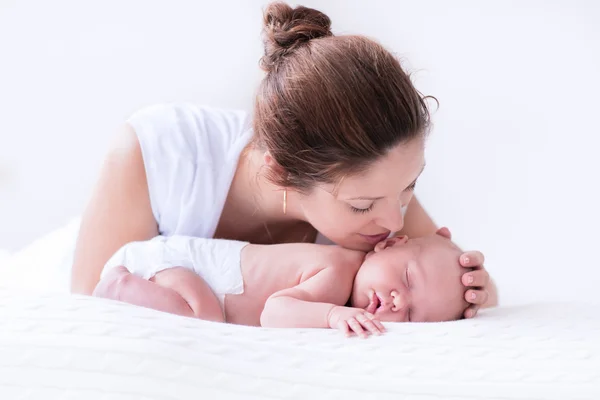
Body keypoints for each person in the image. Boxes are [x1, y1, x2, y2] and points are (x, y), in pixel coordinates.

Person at [71, 1, 497, 318]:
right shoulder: (159, 154)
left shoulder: (381, 194)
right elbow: (90, 306)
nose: (395, 223)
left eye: (409, 188)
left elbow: (445, 282)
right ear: (282, 173)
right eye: (361, 206)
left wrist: (478, 288)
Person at [93, 228, 469, 337]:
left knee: (206, 318)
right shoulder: (338, 270)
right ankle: (117, 286)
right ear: (387, 245)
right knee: (204, 320)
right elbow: (274, 312)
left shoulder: (349, 276)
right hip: (167, 263)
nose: (398, 302)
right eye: (406, 279)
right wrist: (332, 316)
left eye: (415, 313)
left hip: (177, 267)